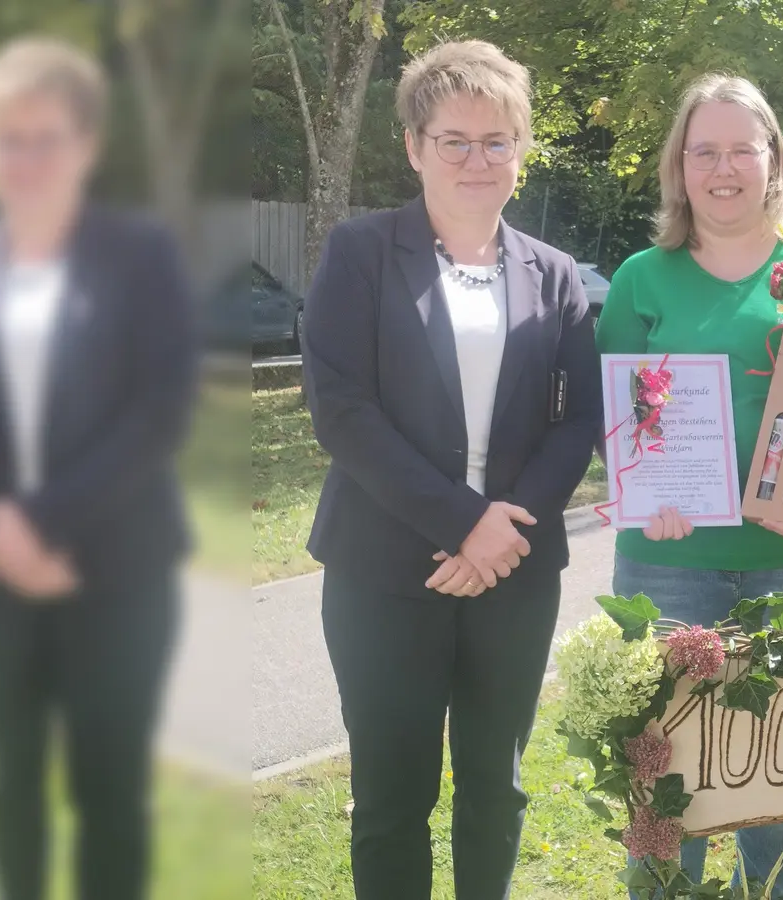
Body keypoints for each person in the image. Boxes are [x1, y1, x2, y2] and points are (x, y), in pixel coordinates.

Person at [299, 40, 602, 900]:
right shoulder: (360, 252)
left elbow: (575, 419)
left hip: (515, 569)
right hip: (384, 570)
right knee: (392, 798)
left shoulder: (554, 274)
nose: (478, 160)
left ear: (522, 148)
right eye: (454, 140)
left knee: (496, 789)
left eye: (497, 140)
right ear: (414, 146)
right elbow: (342, 410)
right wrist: (463, 523)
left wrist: (500, 533)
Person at [594, 74, 783, 897]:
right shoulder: (641, 278)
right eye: (704, 152)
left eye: (741, 150)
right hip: (669, 563)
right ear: (679, 167)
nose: (723, 169)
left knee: (779, 770)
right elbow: (617, 410)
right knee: (662, 770)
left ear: (773, 161)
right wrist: (643, 489)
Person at [0, 37, 198, 900]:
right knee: (9, 782)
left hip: (119, 572)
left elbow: (160, 409)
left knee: (111, 793)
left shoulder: (142, 257)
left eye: (46, 138)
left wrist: (42, 523)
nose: (26, 159)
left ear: (87, 145)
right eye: (7, 139)